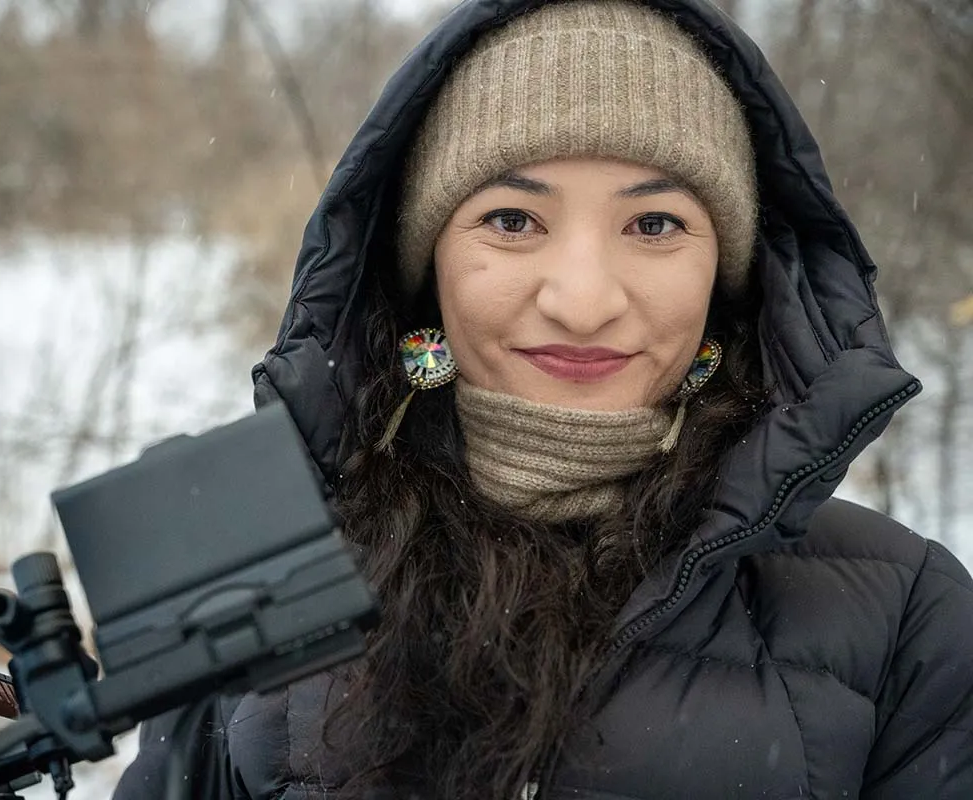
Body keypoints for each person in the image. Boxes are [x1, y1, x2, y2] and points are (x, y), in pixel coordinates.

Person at [114, 0, 973, 797]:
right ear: (427, 261)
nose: (583, 299)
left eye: (655, 225)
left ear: (726, 273)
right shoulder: (257, 562)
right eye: (513, 221)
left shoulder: (905, 617)